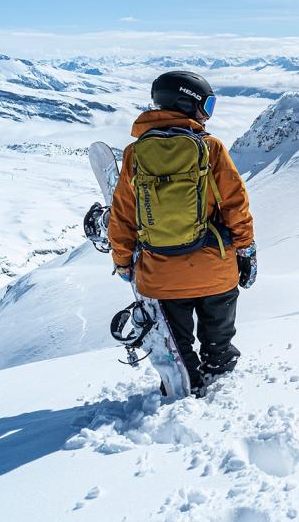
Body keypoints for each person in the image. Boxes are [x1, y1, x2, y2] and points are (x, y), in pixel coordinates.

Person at [108, 71, 256, 394]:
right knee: (218, 348)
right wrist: (246, 250)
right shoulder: (211, 149)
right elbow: (236, 206)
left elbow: (121, 216)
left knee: (180, 353)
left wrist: (123, 262)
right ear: (186, 103)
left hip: (161, 276)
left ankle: (183, 382)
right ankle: (219, 382)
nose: (206, 114)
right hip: (216, 271)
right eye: (206, 105)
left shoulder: (135, 155)